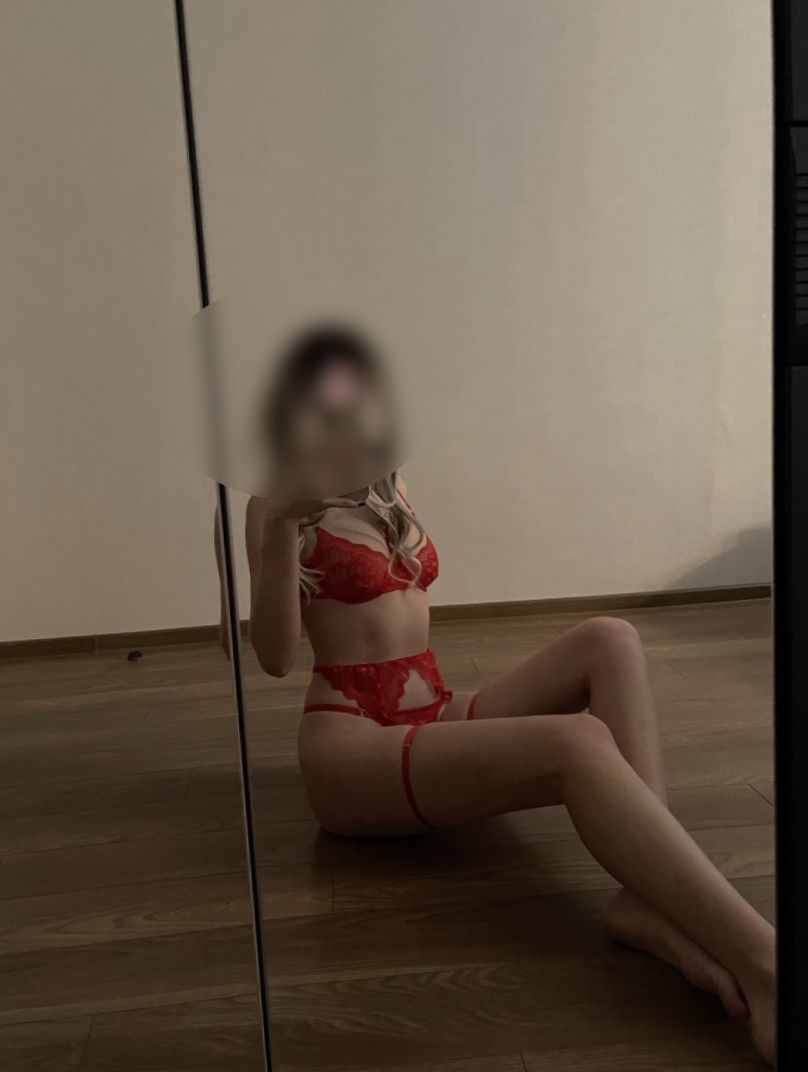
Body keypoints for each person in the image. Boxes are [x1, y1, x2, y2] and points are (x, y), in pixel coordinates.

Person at [215, 325, 775, 1064]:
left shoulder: (389, 488)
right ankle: (767, 964)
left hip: (431, 709)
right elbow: (274, 658)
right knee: (577, 742)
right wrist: (287, 522)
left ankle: (649, 898)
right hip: (352, 744)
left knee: (611, 638)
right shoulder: (270, 504)